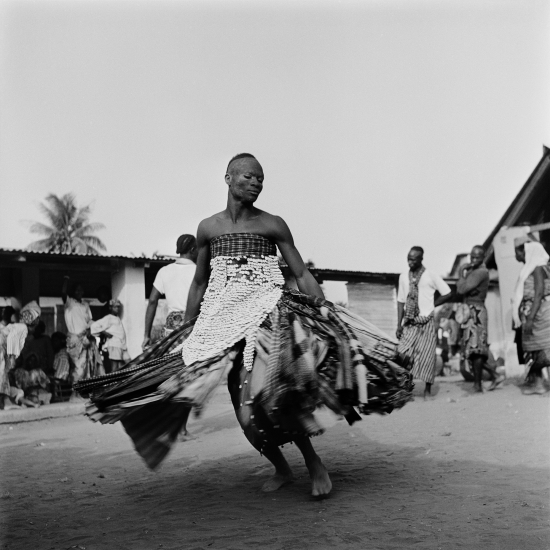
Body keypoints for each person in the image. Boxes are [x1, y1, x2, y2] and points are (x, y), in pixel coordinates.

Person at [75, 153, 413, 498]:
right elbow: (199, 283)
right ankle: (281, 468)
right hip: (219, 319)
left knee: (273, 393)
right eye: (250, 177)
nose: (256, 183)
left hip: (267, 312)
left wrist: (325, 311)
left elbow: (299, 273)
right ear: (228, 178)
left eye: (261, 179)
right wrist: (191, 329)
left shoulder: (273, 224)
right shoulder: (208, 228)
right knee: (243, 408)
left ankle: (313, 463)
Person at [396, 247, 452, 399]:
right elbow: (401, 301)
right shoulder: (403, 277)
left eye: (413, 259)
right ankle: (407, 390)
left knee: (427, 357)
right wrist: (398, 324)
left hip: (425, 321)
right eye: (408, 258)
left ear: (421, 259)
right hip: (409, 322)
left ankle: (427, 391)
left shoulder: (430, 275)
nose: (410, 262)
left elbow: (447, 292)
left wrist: (432, 304)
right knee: (403, 355)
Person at [456, 245, 504, 392]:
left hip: (476, 312)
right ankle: (494, 375)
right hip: (470, 312)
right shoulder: (474, 271)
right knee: (471, 350)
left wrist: (460, 273)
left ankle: (478, 384)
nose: (473, 260)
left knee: (476, 350)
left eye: (477, 257)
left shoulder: (481, 272)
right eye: (472, 257)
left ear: (483, 257)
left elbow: (461, 289)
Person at [142, 234, 197, 349]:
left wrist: (147, 335)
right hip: (192, 328)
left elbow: (152, 301)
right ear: (192, 249)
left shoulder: (164, 271)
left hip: (170, 332)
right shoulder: (198, 272)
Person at [512, 237, 550, 395]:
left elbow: (539, 293)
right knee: (537, 349)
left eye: (518, 252)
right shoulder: (535, 267)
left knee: (541, 350)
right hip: (535, 311)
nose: (516, 255)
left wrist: (531, 317)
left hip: (539, 312)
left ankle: (539, 384)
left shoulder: (537, 268)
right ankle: (539, 385)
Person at [61, 277, 103, 385]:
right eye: (77, 290)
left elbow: (89, 321)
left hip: (86, 339)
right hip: (75, 339)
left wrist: (91, 329)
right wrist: (66, 279)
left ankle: (85, 391)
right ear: (73, 291)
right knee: (78, 366)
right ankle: (75, 392)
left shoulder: (85, 305)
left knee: (88, 365)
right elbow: (63, 293)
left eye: (81, 290)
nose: (79, 292)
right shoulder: (69, 302)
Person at [90, 300, 131, 372]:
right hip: (114, 345)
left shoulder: (117, 318)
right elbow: (94, 326)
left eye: (118, 307)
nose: (117, 309)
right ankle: (114, 383)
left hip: (121, 345)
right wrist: (104, 332)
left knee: (129, 364)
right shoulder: (108, 318)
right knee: (115, 368)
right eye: (115, 307)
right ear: (110, 308)